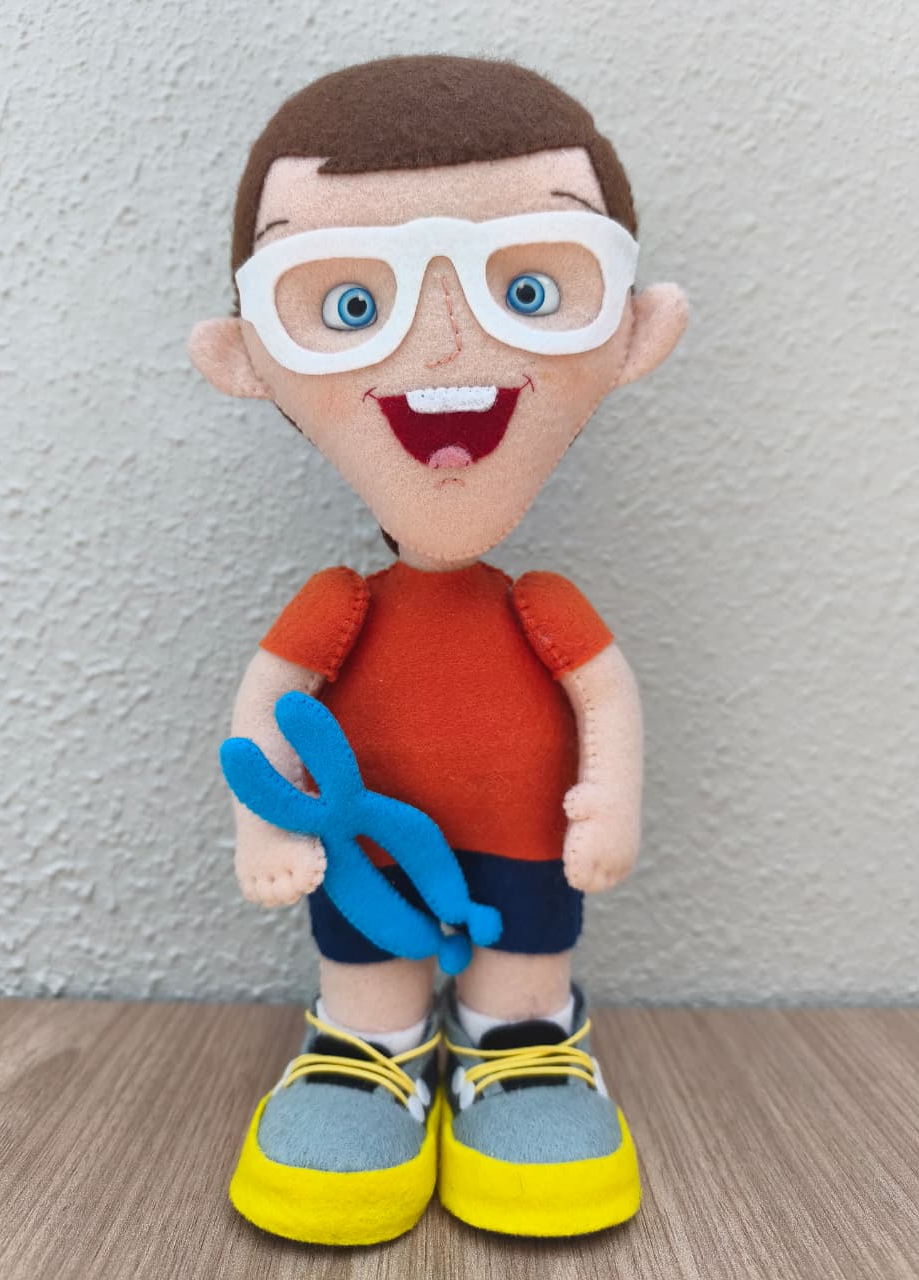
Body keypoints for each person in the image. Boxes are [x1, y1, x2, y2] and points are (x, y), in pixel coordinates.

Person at [190, 52, 687, 1244]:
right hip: (365, 844)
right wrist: (264, 825)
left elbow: (606, 696)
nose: (448, 345)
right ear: (244, 355)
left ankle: (522, 1039)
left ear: (635, 330)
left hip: (526, 842)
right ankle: (370, 1044)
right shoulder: (337, 602)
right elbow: (264, 705)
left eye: (531, 287)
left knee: (527, 951)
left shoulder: (544, 602)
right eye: (351, 305)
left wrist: (609, 801)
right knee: (368, 955)